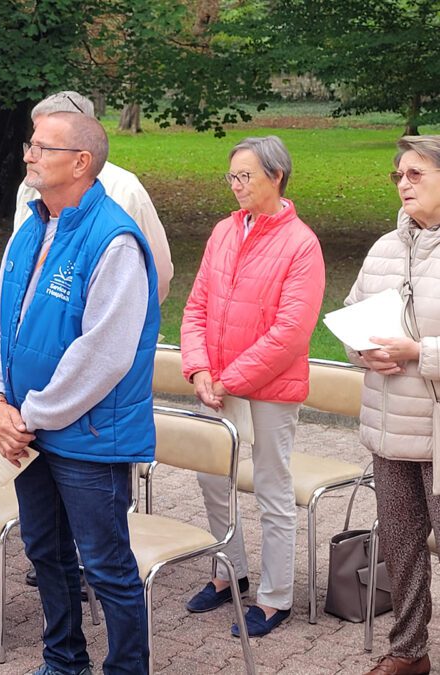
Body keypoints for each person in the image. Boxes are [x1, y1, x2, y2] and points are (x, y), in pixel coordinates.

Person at [0, 109, 158, 674]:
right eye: (30, 145)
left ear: (80, 162)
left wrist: (26, 414)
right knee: (47, 555)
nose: (27, 154)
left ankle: (126, 669)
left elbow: (103, 355)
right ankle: (63, 662)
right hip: (26, 430)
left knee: (105, 567)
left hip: (87, 436)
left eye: (40, 147)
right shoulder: (29, 227)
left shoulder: (115, 240)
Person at [180, 136, 325, 638]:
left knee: (271, 485)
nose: (237, 186)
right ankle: (229, 572)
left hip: (269, 387)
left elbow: (290, 332)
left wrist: (228, 379)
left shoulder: (301, 243)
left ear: (276, 176)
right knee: (211, 478)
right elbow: (196, 305)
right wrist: (199, 371)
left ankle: (275, 596)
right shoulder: (223, 230)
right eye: (232, 177)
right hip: (215, 383)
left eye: (246, 177)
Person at [344, 135, 440, 675]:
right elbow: (353, 312)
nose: (403, 184)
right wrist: (361, 350)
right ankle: (409, 651)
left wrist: (420, 352)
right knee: (402, 552)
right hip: (388, 428)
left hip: (438, 431)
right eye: (398, 175)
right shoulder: (385, 246)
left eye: (416, 174)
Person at [13, 92, 173, 303]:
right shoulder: (29, 188)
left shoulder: (125, 190)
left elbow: (157, 276)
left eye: (45, 145)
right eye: (33, 140)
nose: (30, 156)